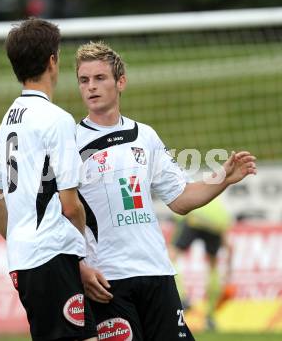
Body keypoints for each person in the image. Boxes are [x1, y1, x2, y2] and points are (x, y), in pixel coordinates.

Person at [74, 41, 257, 341]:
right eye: (84, 80)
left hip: (157, 272)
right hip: (108, 280)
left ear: (121, 82)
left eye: (100, 78)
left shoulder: (145, 136)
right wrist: (80, 266)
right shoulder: (71, 142)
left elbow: (181, 198)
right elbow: (61, 212)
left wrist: (223, 177)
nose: (91, 87)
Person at [0, 18, 97, 341]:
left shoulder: (8, 120)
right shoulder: (56, 119)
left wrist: (22, 243)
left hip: (23, 260)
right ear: (52, 60)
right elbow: (70, 205)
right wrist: (82, 253)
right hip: (52, 256)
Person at [171, 196, 233, 330]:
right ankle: (210, 316)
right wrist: (229, 270)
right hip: (217, 222)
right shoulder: (218, 204)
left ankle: (182, 299)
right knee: (213, 265)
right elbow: (228, 245)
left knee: (172, 257)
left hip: (193, 215)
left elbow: (179, 216)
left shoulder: (182, 198)